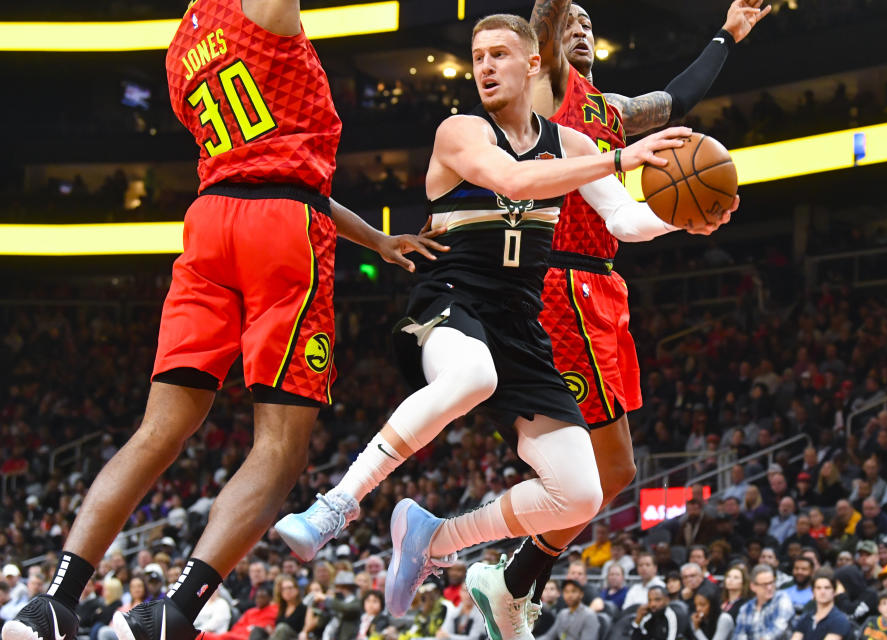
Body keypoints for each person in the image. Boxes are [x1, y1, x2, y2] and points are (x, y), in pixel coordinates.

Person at [1, 0, 448, 638]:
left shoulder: (182, 44)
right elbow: (288, 182)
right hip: (281, 233)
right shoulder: (263, 11)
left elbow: (268, 166)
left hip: (212, 221)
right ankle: (174, 611)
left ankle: (52, 603)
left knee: (158, 430)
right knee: (281, 447)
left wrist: (374, 239)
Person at [277, 12, 707, 635]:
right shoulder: (460, 131)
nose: (484, 66)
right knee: (472, 375)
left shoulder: (571, 145)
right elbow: (512, 178)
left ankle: (436, 539)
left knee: (581, 492)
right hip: (451, 300)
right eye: (478, 55)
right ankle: (337, 504)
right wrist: (619, 157)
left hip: (520, 322)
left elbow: (625, 222)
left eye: (500, 54)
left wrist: (685, 216)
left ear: (534, 64)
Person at [510, 0, 763, 617]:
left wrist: (727, 35)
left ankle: (518, 575)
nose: (582, 29)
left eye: (589, 24)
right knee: (601, 468)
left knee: (614, 474)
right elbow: (548, 18)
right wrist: (556, 11)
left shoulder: (612, 111)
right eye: (572, 21)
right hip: (557, 283)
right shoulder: (545, 89)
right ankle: (510, 578)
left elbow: (677, 102)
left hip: (602, 285)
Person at [731, 564, 794, 640]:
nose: (769, 587)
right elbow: (739, 635)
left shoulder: (782, 598)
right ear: (753, 586)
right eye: (765, 584)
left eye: (771, 583)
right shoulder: (745, 608)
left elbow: (779, 627)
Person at [790, 570, 851, 640]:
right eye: (818, 588)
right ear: (813, 592)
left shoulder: (840, 620)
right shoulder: (806, 618)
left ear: (834, 591)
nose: (822, 592)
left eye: (827, 588)